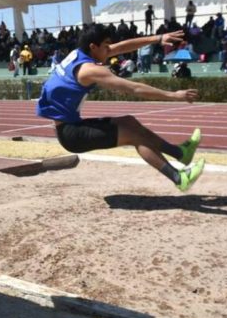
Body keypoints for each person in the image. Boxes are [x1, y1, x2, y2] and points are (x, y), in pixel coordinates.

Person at [36, 24, 204, 192]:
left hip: (71, 126)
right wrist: (174, 95)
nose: (110, 49)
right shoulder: (89, 70)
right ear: (93, 47)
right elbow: (134, 88)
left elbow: (123, 46)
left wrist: (158, 38)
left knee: (130, 122)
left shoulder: (79, 54)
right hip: (72, 135)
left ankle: (181, 153)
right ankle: (179, 178)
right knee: (134, 136)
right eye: (106, 45)